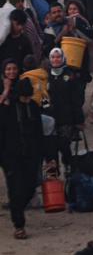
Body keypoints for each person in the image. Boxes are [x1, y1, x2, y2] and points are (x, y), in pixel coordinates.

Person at [0, 77, 47, 240]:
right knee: (16, 190)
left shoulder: (33, 107)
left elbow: (39, 133)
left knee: (29, 189)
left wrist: (47, 156)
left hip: (31, 156)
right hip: (10, 157)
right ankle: (19, 224)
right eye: (23, 97)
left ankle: (16, 209)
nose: (26, 100)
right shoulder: (8, 108)